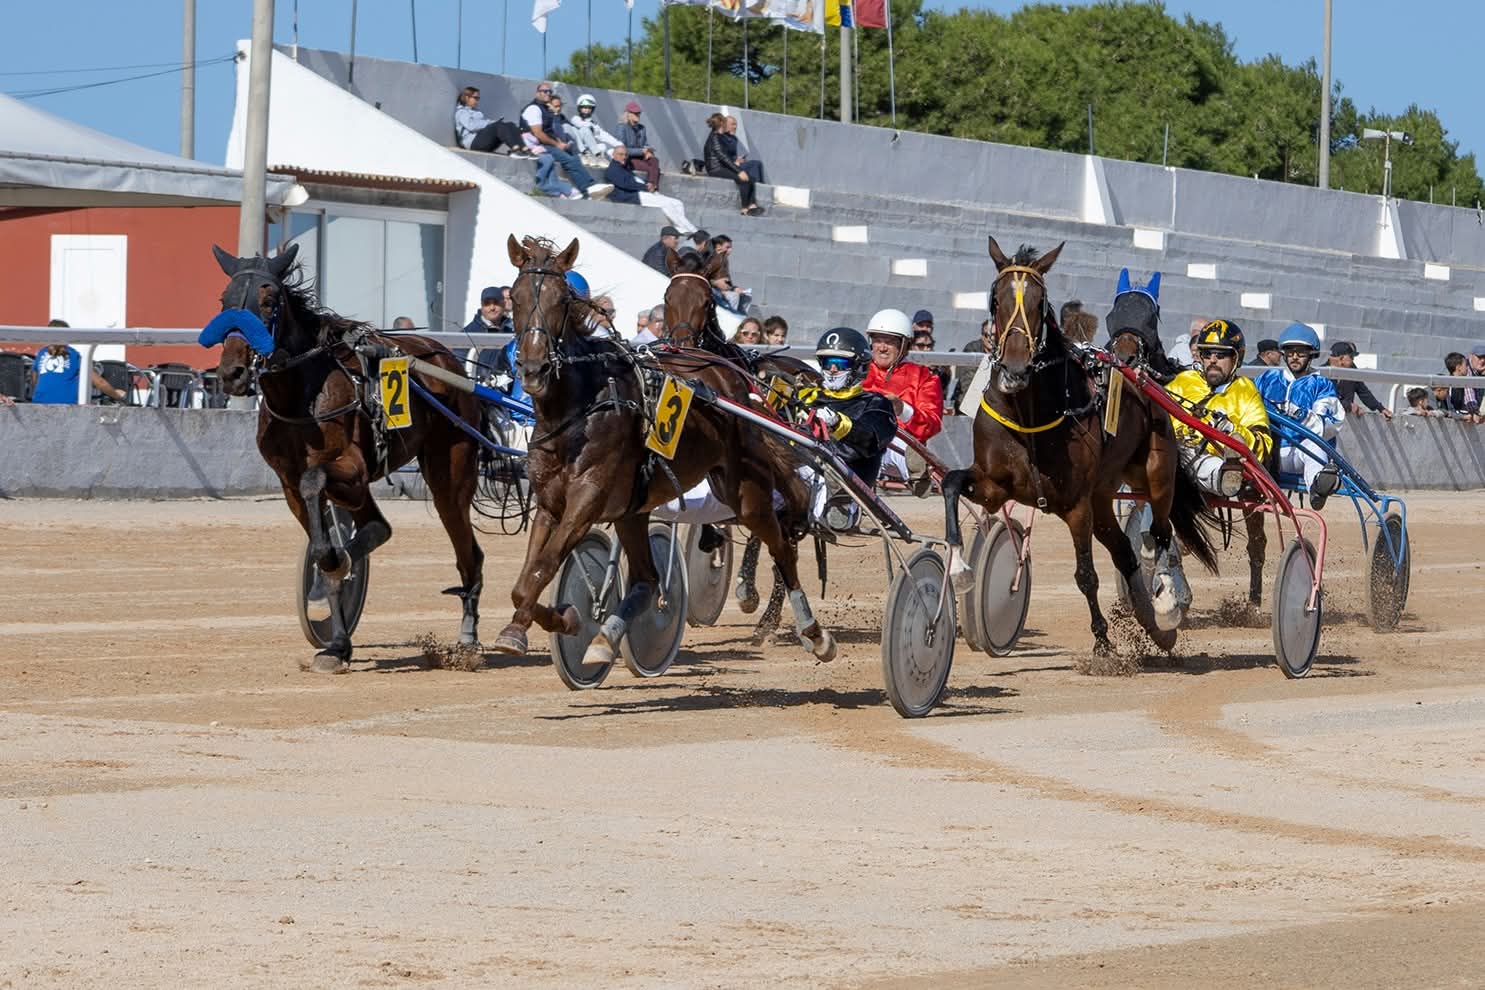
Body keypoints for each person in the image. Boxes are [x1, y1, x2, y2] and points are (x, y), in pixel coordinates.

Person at [1166, 319, 1273, 498]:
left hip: (1211, 458)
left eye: (1221, 355)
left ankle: (1223, 476)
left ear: (1235, 358)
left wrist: (1231, 430)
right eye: (1207, 354)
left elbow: (1263, 442)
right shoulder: (1183, 381)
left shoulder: (1245, 390)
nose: (1213, 360)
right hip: (1170, 451)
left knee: (1203, 462)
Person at [1255, 322, 1344, 509]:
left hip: (1303, 455)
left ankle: (1318, 488)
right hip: (1271, 452)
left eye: (1301, 352)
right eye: (1290, 352)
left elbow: (1327, 426)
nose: (1294, 357)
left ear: (1311, 355)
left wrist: (1298, 413)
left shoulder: (1321, 384)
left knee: (1315, 444)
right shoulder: (1266, 379)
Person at [797, 327, 898, 488]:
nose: (833, 370)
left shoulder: (876, 403)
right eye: (827, 362)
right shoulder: (806, 397)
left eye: (840, 363)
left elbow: (871, 441)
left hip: (844, 481)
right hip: (795, 468)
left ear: (859, 367)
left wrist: (837, 423)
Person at [519, 81, 611, 201]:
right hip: (536, 145)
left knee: (573, 158)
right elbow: (538, 134)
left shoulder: (545, 109)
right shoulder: (534, 109)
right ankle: (588, 187)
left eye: (550, 92)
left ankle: (588, 191)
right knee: (569, 160)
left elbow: (549, 131)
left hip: (546, 143)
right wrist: (557, 144)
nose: (548, 94)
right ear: (538, 93)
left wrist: (560, 142)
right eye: (545, 91)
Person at [602, 146, 697, 234]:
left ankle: (680, 228)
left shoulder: (623, 167)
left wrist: (647, 185)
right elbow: (626, 184)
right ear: (613, 155)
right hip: (633, 196)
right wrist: (646, 187)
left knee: (677, 203)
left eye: (626, 155)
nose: (624, 157)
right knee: (666, 204)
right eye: (620, 154)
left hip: (640, 192)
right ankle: (692, 231)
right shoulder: (613, 170)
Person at [31, 321, 127, 404]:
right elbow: (99, 382)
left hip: (39, 403)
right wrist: (116, 395)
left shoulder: (41, 353)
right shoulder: (73, 354)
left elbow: (35, 381)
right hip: (66, 405)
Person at [705, 113, 764, 217]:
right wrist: (739, 171)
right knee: (743, 179)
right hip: (716, 169)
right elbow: (723, 158)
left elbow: (725, 158)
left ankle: (751, 206)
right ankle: (744, 208)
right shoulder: (715, 138)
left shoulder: (717, 136)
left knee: (749, 178)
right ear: (721, 124)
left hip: (721, 167)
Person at [1327, 340, 1392, 420]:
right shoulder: (1323, 374)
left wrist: (1380, 408)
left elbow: (1363, 391)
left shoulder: (1352, 369)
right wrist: (1348, 406)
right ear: (1341, 358)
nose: (1353, 360)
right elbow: (1328, 400)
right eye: (1351, 357)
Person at [452, 85, 525, 155]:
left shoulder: (477, 112)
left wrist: (492, 122)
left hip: (482, 142)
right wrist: (489, 124)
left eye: (478, 98)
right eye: (475, 98)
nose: (477, 101)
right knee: (498, 126)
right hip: (472, 143)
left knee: (510, 124)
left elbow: (483, 124)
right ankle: (515, 150)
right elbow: (471, 126)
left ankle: (524, 149)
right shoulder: (462, 112)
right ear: (467, 97)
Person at [618, 101, 662, 190]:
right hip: (628, 159)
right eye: (635, 113)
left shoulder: (642, 128)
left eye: (638, 113)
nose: (637, 115)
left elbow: (645, 144)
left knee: (654, 160)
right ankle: (651, 187)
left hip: (641, 156)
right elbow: (621, 150)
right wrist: (641, 151)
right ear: (628, 114)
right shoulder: (621, 127)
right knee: (654, 169)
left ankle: (651, 184)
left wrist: (649, 151)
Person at [568, 93, 621, 165]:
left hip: (592, 147)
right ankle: (593, 155)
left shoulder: (593, 124)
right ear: (579, 108)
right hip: (580, 147)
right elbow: (582, 125)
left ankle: (604, 161)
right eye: (584, 107)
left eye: (589, 108)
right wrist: (591, 126)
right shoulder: (575, 119)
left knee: (606, 148)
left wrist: (618, 145)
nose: (587, 110)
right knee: (584, 129)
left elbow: (604, 135)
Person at [706, 235, 751, 314]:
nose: (730, 250)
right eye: (727, 247)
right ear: (718, 247)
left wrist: (734, 288)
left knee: (745, 297)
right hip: (711, 291)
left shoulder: (724, 260)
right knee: (733, 297)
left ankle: (740, 318)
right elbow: (703, 277)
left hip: (723, 291)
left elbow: (727, 281)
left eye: (730, 247)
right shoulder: (712, 259)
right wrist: (715, 284)